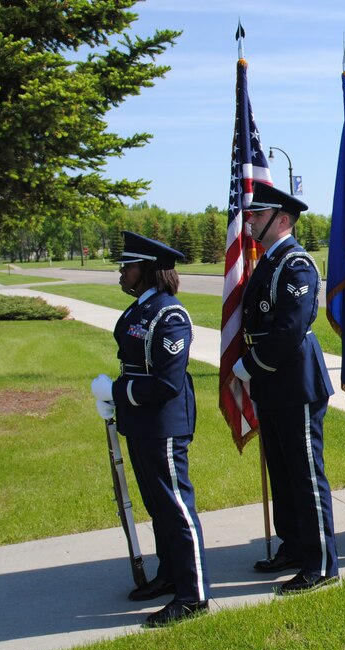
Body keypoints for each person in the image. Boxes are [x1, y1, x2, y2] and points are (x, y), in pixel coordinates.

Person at [90, 231, 210, 628]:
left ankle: (193, 595)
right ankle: (170, 574)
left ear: (146, 270)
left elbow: (167, 383)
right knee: (157, 506)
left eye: (127, 267)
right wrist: (119, 396)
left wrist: (118, 390)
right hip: (141, 421)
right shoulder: (141, 309)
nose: (121, 273)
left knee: (176, 509)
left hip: (163, 424)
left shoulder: (169, 314)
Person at [232, 181, 339, 594]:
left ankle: (322, 562)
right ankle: (294, 545)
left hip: (295, 382)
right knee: (282, 471)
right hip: (273, 384)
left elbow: (290, 327)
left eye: (257, 215)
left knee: (306, 473)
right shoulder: (269, 262)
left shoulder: (296, 264)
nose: (250, 220)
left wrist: (251, 365)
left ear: (281, 219)